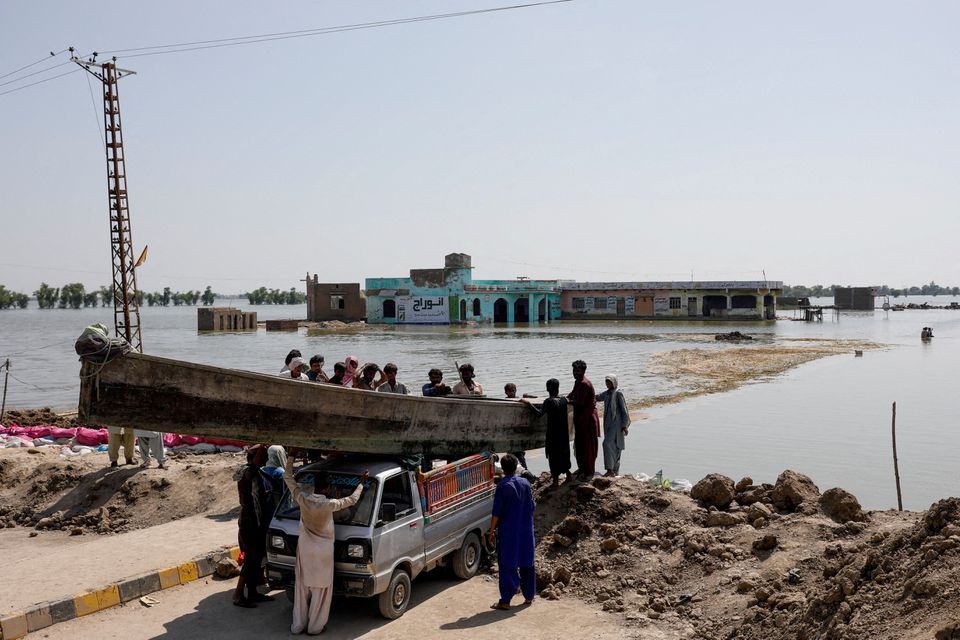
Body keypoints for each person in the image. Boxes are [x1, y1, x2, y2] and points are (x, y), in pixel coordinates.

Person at [283, 455, 368, 635]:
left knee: (302, 588)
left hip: (305, 550)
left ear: (314, 486)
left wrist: (291, 456)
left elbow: (288, 477)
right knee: (321, 590)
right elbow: (352, 500)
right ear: (327, 488)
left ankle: (297, 626)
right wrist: (361, 483)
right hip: (323, 552)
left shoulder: (303, 499)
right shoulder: (330, 504)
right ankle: (315, 627)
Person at [487, 454, 536, 610]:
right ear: (516, 467)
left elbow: (496, 512)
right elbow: (532, 506)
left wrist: (491, 531)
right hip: (526, 530)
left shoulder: (502, 486)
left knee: (507, 564)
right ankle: (529, 596)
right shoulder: (526, 484)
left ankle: (506, 600)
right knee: (527, 562)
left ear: (503, 469)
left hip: (509, 531)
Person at [234, 445, 273, 608]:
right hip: (249, 523)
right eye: (263, 457)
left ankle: (252, 592)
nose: (265, 460)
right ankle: (237, 594)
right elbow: (252, 471)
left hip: (256, 522)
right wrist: (262, 447)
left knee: (256, 558)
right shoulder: (247, 472)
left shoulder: (257, 472)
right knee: (250, 559)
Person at [522, 378, 571, 488]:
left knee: (553, 456)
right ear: (558, 388)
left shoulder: (548, 402)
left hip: (553, 434)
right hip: (563, 433)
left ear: (547, 389)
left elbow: (539, 414)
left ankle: (555, 482)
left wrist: (529, 404)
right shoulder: (564, 400)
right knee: (563, 454)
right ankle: (568, 475)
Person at [567, 359, 600, 481]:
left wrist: (567, 402)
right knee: (579, 446)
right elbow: (572, 394)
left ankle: (589, 472)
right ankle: (582, 468)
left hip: (588, 419)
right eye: (574, 370)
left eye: (577, 371)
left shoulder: (585, 384)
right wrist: (565, 398)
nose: (575, 373)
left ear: (583, 371)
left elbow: (579, 403)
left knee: (588, 447)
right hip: (580, 419)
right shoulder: (578, 382)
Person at [595, 374, 631, 477]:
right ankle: (614, 471)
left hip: (617, 424)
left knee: (607, 444)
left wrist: (625, 425)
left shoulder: (618, 394)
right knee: (614, 446)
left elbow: (624, 411)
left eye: (609, 382)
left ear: (614, 382)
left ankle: (610, 470)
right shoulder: (607, 394)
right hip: (608, 424)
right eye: (606, 382)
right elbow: (597, 398)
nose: (607, 384)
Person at [504, 383, 527, 467]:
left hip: (519, 431)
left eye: (513, 391)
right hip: (510, 431)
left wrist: (526, 396)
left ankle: (524, 470)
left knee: (520, 453)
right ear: (506, 392)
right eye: (509, 391)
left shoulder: (520, 400)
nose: (512, 393)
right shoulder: (504, 401)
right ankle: (516, 470)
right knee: (511, 455)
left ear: (516, 391)